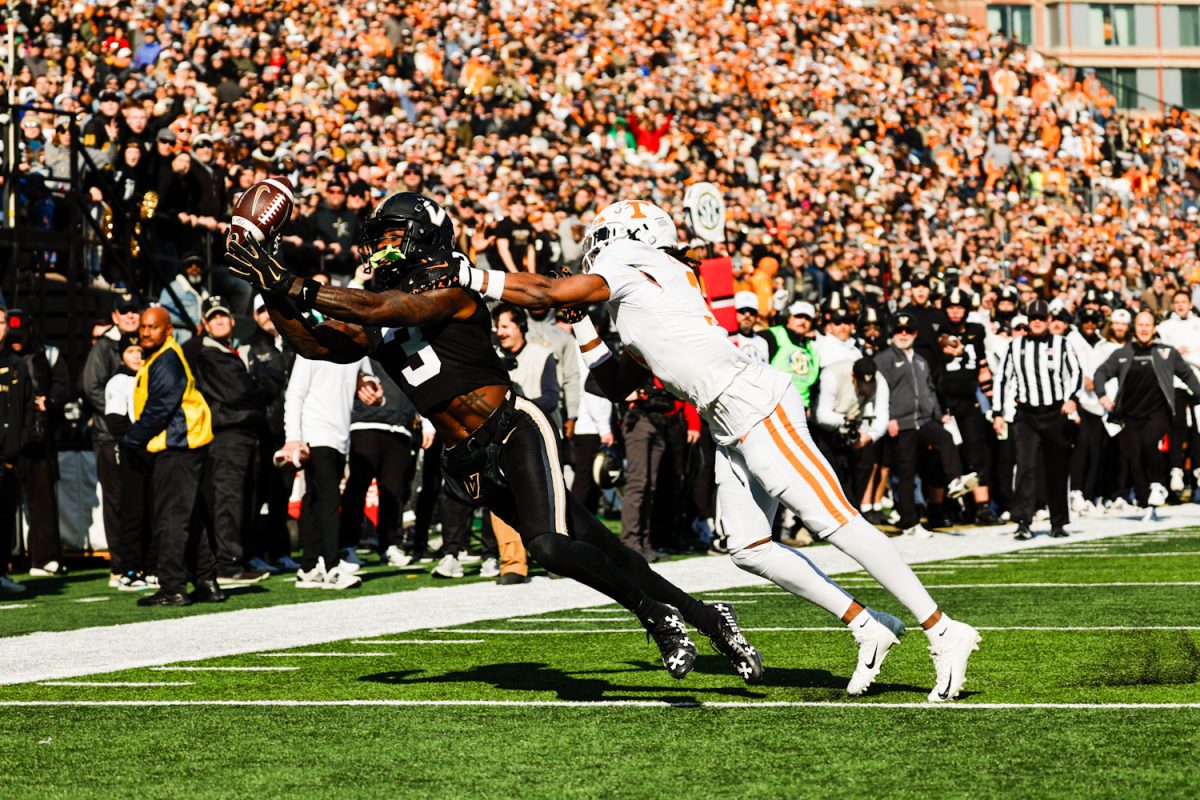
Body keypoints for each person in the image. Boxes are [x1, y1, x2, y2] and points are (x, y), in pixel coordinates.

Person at [451, 199, 982, 701]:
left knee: (834, 521)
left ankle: (943, 628)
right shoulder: (645, 299)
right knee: (748, 547)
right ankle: (867, 625)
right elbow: (615, 381)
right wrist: (587, 326)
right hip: (726, 417)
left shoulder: (636, 263)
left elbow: (547, 294)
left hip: (753, 403)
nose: (595, 251)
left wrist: (471, 275)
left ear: (629, 238)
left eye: (602, 240)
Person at [225, 190, 762, 683]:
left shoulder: (450, 288)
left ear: (424, 236)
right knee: (596, 544)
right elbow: (318, 345)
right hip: (467, 459)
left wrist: (285, 277)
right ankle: (708, 616)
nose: (382, 246)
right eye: (380, 236)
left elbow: (386, 310)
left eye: (393, 234)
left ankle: (655, 614)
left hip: (511, 428)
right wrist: (264, 284)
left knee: (548, 546)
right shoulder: (375, 298)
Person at [122, 307, 222, 607]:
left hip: (177, 446)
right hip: (185, 445)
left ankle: (172, 587)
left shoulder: (166, 359)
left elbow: (160, 407)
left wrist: (131, 439)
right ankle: (206, 582)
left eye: (152, 327)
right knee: (191, 516)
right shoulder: (162, 357)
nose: (145, 332)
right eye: (143, 327)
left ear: (168, 330)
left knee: (170, 519)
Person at [183, 296, 276, 584]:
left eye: (222, 315)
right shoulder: (208, 355)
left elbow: (258, 387)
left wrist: (255, 385)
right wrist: (257, 384)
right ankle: (227, 564)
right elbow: (240, 391)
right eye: (213, 318)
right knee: (229, 499)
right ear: (204, 325)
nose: (219, 321)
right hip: (227, 435)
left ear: (233, 320)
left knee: (245, 499)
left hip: (244, 433)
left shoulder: (232, 351)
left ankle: (237, 558)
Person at [875, 312, 979, 538]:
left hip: (924, 420)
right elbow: (879, 393)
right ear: (892, 333)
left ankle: (954, 480)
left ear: (915, 333)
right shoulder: (884, 359)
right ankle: (909, 522)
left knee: (945, 438)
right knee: (906, 472)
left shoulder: (921, 361)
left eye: (908, 331)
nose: (903, 334)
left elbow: (930, 391)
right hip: (901, 423)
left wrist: (939, 415)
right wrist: (889, 418)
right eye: (899, 331)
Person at [1094, 310, 1200, 518]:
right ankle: (1145, 503)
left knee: (1148, 441)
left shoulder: (1166, 352)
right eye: (1140, 325)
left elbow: (1186, 374)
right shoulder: (1123, 353)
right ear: (1135, 328)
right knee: (1135, 458)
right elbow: (1101, 372)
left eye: (1148, 325)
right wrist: (1102, 395)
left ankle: (1158, 484)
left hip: (1158, 413)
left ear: (1154, 328)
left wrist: (1198, 393)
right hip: (1130, 416)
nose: (1144, 329)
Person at [994, 299, 1082, 540]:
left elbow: (1076, 371)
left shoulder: (1061, 344)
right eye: (1033, 318)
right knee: (1025, 466)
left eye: (1041, 318)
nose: (1037, 322)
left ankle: (1058, 521)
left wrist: (1071, 398)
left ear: (1048, 320)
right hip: (1026, 415)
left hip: (1055, 413)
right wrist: (998, 413)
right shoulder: (1015, 346)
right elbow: (1002, 378)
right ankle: (1023, 520)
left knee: (1056, 468)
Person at [81, 291, 143, 585]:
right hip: (111, 437)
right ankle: (120, 567)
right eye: (124, 311)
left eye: (135, 310)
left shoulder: (145, 342)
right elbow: (92, 387)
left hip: (141, 438)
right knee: (117, 501)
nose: (131, 315)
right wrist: (123, 419)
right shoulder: (104, 347)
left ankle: (139, 563)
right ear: (115, 316)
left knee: (138, 501)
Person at [102, 332, 155, 590]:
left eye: (140, 352)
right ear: (122, 354)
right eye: (131, 351)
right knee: (132, 512)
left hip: (152, 451)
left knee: (152, 511)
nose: (136, 356)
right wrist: (138, 442)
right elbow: (116, 422)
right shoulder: (118, 381)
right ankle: (129, 570)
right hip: (133, 453)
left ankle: (150, 565)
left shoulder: (149, 376)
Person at [0, 309, 34, 595]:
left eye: (0, 322)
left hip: (9, 457)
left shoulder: (17, 365)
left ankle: (1, 572)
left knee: (5, 518)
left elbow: (26, 410)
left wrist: (17, 444)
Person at [1155, 291, 1200, 495]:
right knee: (1178, 424)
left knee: (1198, 427)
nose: (1181, 306)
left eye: (1184, 302)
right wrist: (1175, 353)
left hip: (1197, 379)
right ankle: (1176, 469)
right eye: (1177, 302)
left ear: (1190, 304)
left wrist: (1189, 355)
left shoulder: (1197, 324)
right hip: (1176, 382)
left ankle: (1198, 468)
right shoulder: (1166, 327)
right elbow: (1159, 350)